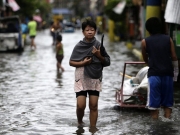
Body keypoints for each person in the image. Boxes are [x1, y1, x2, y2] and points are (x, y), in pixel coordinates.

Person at [69, 19, 110, 128]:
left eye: (92, 30)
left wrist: (98, 54)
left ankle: (93, 129)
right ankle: (80, 122)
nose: (90, 32)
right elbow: (71, 62)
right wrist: (84, 62)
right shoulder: (79, 46)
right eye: (87, 30)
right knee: (81, 105)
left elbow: (107, 61)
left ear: (95, 31)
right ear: (83, 32)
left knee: (93, 105)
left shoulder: (99, 45)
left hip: (95, 77)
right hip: (81, 78)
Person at [141, 17, 179, 120]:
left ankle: (156, 125)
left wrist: (151, 63)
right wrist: (175, 73)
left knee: (154, 106)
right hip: (168, 74)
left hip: (154, 75)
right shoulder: (168, 39)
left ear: (148, 29)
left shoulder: (145, 42)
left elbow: (145, 59)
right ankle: (167, 121)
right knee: (168, 104)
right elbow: (174, 57)